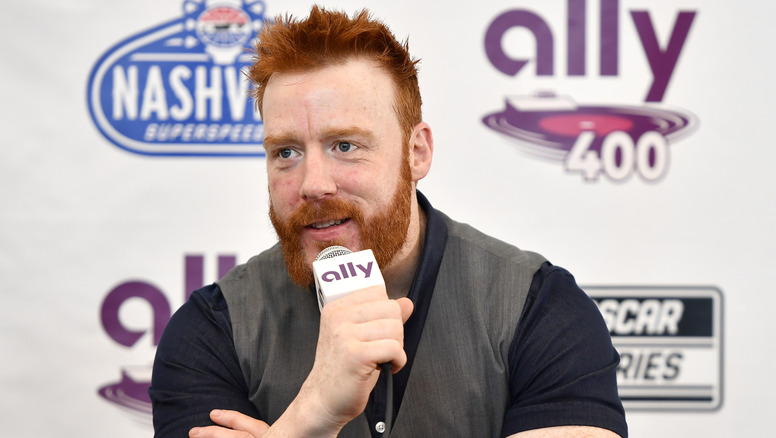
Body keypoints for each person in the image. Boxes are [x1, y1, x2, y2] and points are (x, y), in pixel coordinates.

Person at [149, 6, 628, 438]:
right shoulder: (213, 330)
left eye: (345, 146)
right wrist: (311, 415)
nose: (313, 183)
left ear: (416, 152)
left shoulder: (536, 308)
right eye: (286, 152)